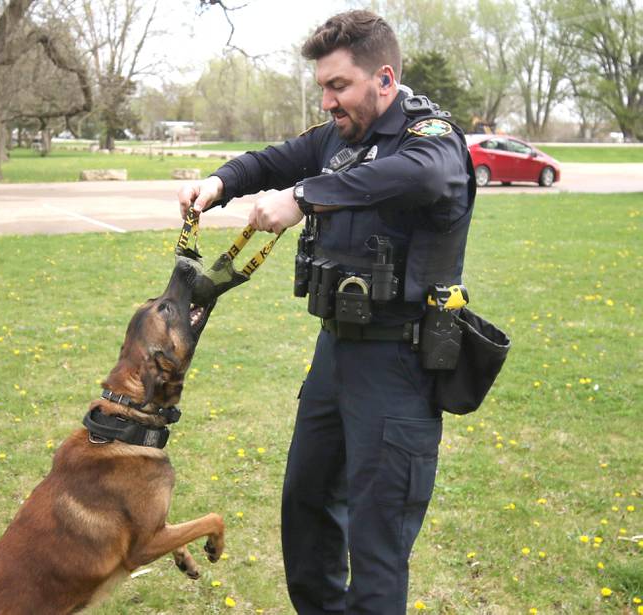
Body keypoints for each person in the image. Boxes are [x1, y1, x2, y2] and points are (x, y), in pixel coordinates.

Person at [177, 10, 475, 615]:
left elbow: (414, 178)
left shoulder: (432, 140)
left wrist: (302, 198)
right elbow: (272, 161)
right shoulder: (338, 138)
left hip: (400, 361)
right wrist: (216, 183)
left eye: (338, 85)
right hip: (336, 355)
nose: (329, 100)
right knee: (306, 505)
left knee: (377, 538)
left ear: (383, 78)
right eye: (322, 87)